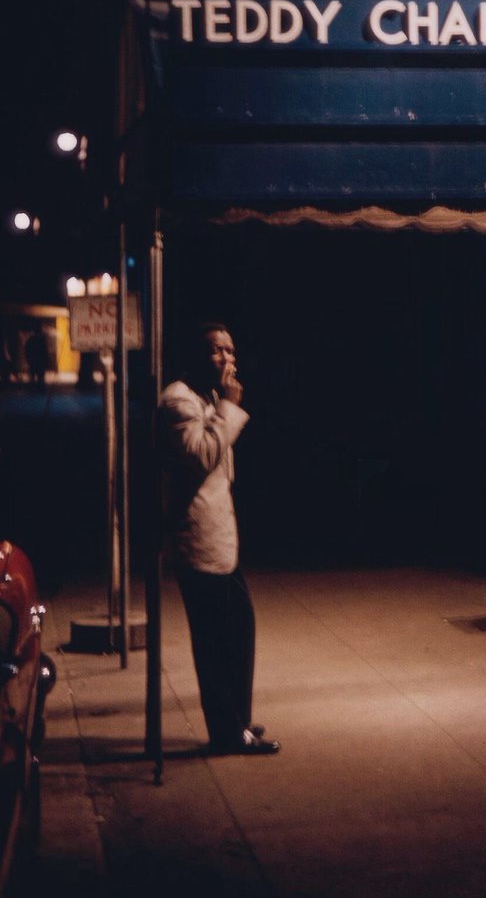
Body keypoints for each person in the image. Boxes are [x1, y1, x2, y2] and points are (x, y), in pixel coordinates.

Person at [157, 321, 279, 756]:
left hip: (222, 542)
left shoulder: (206, 398)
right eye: (216, 351)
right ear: (195, 355)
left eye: (231, 350)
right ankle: (227, 733)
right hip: (200, 543)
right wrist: (228, 408)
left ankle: (237, 722)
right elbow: (202, 455)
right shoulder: (177, 400)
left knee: (238, 632)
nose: (228, 359)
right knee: (216, 643)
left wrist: (222, 406)